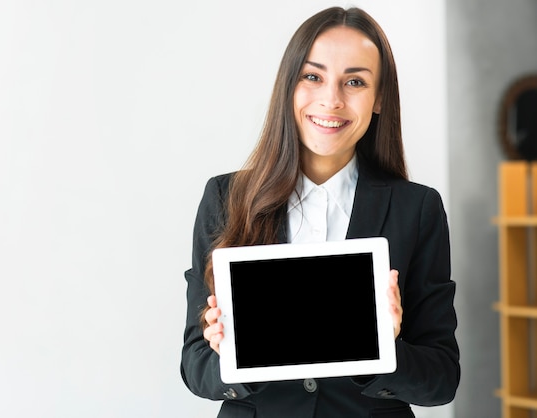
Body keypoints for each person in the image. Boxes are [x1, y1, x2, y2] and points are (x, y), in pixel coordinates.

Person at [180, 6, 460, 418]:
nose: (332, 99)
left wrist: (383, 348)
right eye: (313, 76)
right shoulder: (226, 197)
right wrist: (234, 357)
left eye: (355, 81)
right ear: (289, 87)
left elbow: (441, 380)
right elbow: (195, 366)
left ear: (379, 97)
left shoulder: (416, 208)